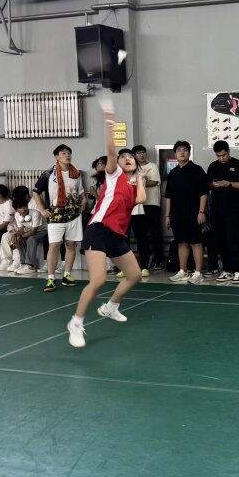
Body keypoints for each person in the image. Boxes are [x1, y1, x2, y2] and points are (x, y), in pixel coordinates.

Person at [67, 105, 146, 349]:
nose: (128, 158)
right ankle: (76, 323)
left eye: (131, 157)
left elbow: (141, 198)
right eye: (124, 157)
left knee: (134, 275)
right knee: (99, 280)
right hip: (99, 230)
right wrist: (109, 123)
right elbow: (111, 151)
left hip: (117, 235)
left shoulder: (132, 185)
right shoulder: (113, 175)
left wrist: (139, 177)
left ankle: (111, 306)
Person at [34, 144, 86, 292]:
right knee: (54, 245)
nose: (67, 155)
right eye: (63, 153)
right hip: (55, 214)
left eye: (69, 153)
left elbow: (81, 193)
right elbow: (36, 192)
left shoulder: (76, 174)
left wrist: (83, 203)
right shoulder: (48, 173)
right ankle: (51, 278)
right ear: (56, 156)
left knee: (71, 245)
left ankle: (67, 275)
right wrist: (42, 209)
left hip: (74, 214)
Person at [207, 140, 239, 283]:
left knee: (233, 240)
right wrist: (213, 185)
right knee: (220, 240)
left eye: (223, 155)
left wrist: (229, 184)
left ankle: (238, 271)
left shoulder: (238, 165)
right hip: (216, 210)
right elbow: (207, 184)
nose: (221, 158)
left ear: (229, 151)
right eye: (218, 156)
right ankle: (227, 270)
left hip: (233, 210)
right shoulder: (213, 166)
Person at [165, 140, 207, 284]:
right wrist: (167, 215)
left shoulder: (197, 170)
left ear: (189, 153)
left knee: (195, 242)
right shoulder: (173, 173)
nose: (182, 152)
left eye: (185, 150)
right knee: (181, 242)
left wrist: (201, 211)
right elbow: (168, 196)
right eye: (179, 150)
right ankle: (183, 271)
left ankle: (198, 273)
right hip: (177, 214)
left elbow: (203, 193)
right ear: (175, 154)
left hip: (193, 213)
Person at [133, 145, 165, 270]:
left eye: (143, 152)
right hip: (138, 206)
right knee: (141, 236)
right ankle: (145, 262)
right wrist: (142, 180)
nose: (141, 155)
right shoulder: (134, 168)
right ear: (134, 156)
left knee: (155, 233)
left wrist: (140, 181)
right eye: (138, 153)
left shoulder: (152, 166)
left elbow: (154, 182)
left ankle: (159, 260)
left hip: (152, 204)